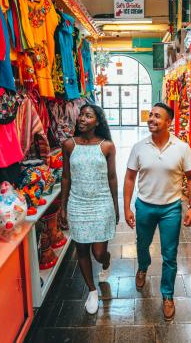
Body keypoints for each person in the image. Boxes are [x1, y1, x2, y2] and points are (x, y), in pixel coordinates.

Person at [123, 102, 191, 321]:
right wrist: (127, 207)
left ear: (169, 122)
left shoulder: (181, 147)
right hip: (145, 206)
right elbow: (129, 178)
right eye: (151, 115)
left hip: (171, 209)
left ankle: (167, 295)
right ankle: (143, 268)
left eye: (157, 116)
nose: (152, 119)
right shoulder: (139, 147)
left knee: (169, 255)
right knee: (142, 244)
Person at [58, 104, 119, 315]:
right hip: (77, 204)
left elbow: (112, 178)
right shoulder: (69, 145)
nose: (82, 119)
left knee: (98, 252)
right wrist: (63, 207)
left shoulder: (107, 146)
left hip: (101, 203)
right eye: (81, 115)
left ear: (98, 121)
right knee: (82, 249)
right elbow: (65, 178)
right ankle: (92, 290)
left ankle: (106, 260)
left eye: (88, 115)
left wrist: (116, 206)